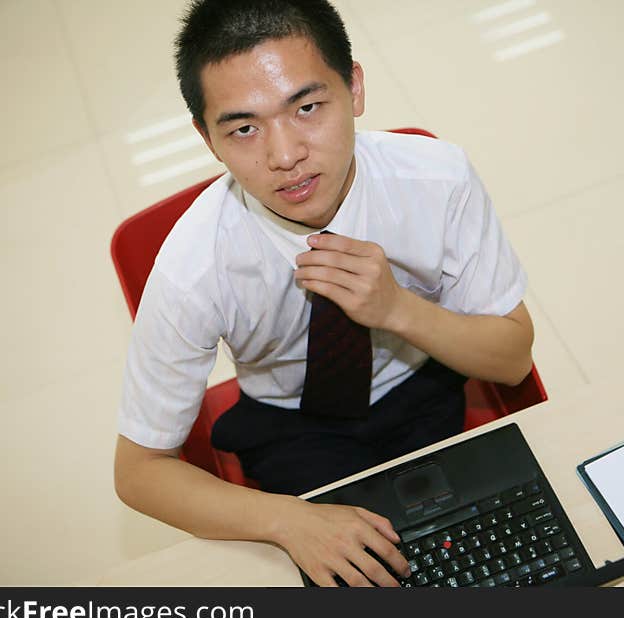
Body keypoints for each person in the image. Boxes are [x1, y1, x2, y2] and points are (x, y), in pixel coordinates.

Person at [113, 0, 535, 587]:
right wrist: (290, 520)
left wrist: (397, 309)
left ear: (355, 88)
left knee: (501, 560)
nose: (285, 156)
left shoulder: (437, 180)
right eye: (243, 128)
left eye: (307, 107)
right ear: (207, 139)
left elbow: (512, 358)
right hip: (293, 425)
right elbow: (138, 472)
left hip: (426, 383)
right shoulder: (193, 266)